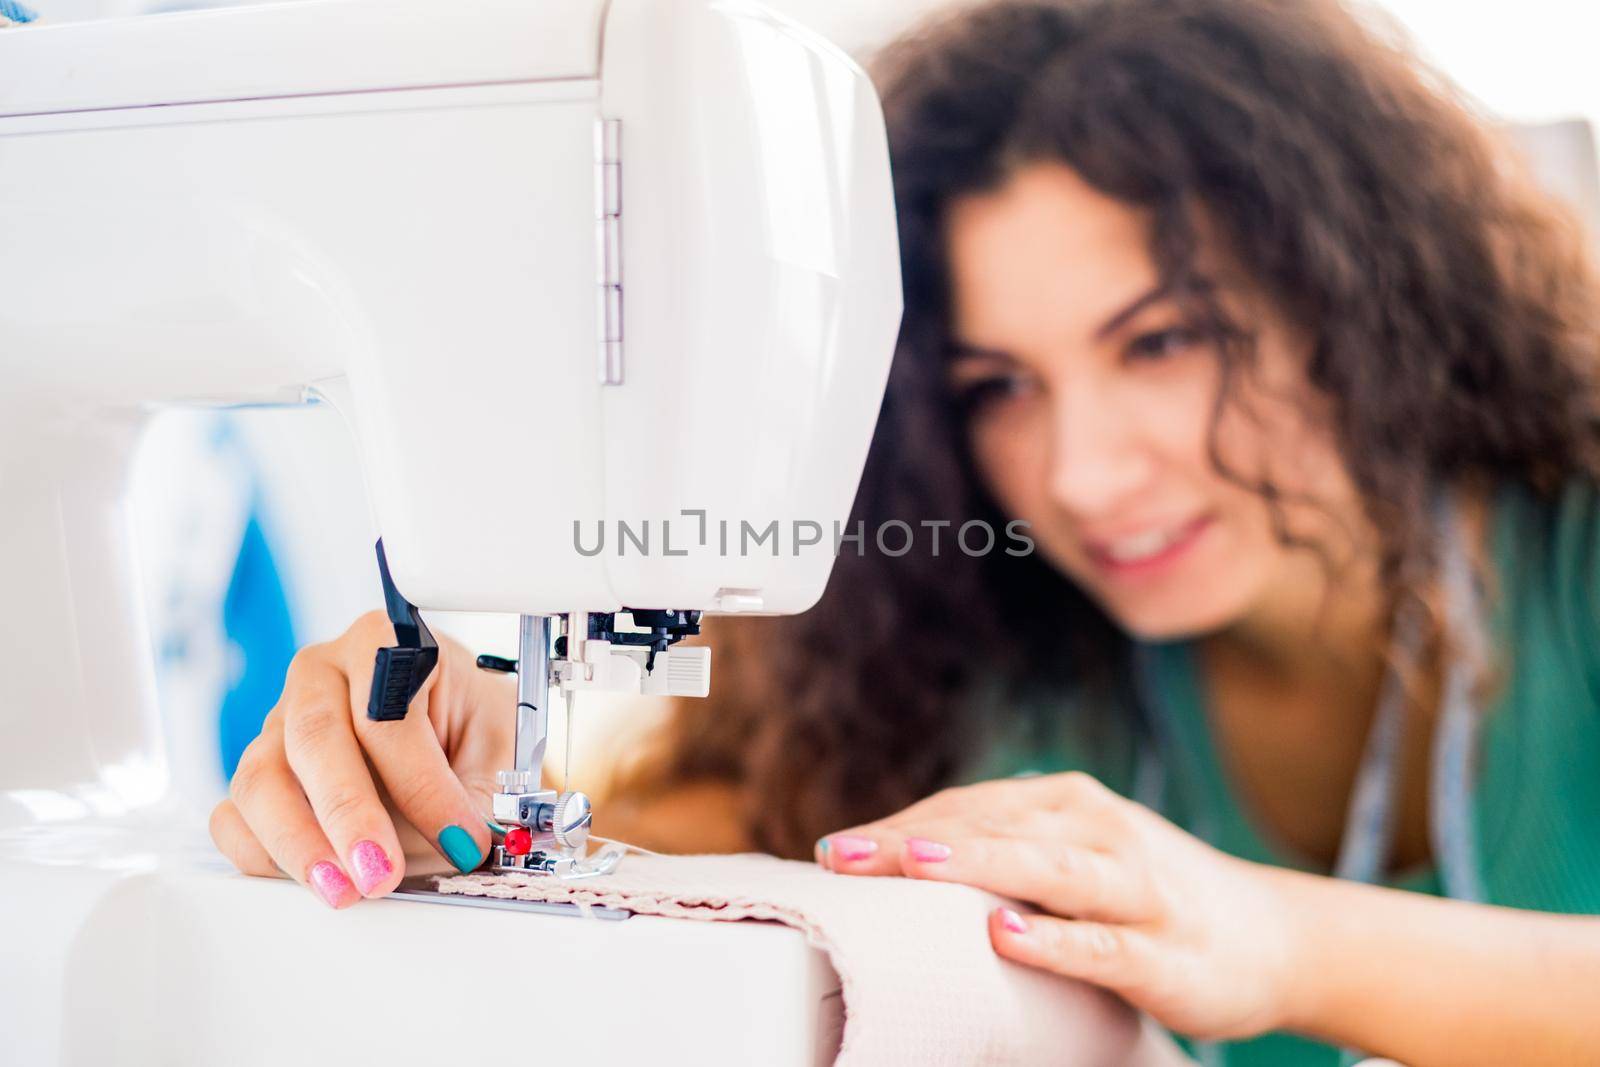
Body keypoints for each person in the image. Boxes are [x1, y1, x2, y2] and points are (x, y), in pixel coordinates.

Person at [209, 0, 1600, 1062]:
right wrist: (423, 768)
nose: (1087, 472)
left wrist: (1274, 935)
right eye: (998, 387)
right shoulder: (990, 662)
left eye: (1167, 341)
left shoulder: (1576, 555)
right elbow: (627, 858)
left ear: (1361, 289)